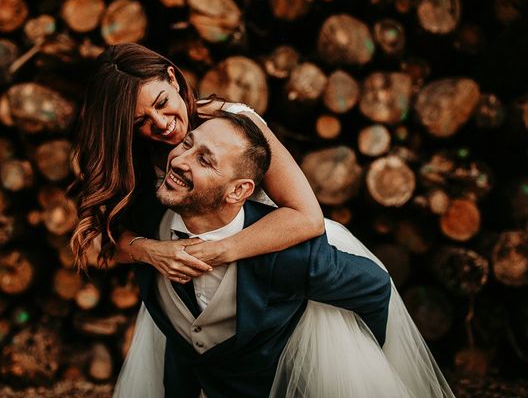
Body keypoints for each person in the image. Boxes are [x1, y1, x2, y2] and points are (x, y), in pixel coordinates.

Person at [113, 113, 454, 397]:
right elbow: (100, 245)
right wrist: (146, 250)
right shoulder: (149, 214)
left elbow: (376, 287)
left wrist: (361, 357)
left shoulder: (290, 255)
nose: (180, 160)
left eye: (204, 159)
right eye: (187, 144)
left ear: (238, 191)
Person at [70, 43, 324, 280]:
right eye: (140, 122)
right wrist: (152, 251)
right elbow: (111, 241)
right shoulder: (130, 155)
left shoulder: (237, 124)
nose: (161, 123)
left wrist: (218, 251)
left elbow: (307, 217)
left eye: (162, 103)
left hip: (270, 275)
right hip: (182, 302)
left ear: (172, 78)